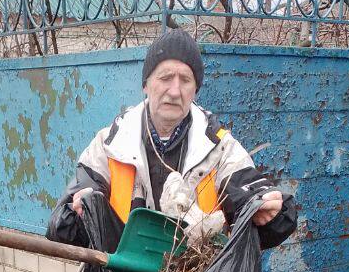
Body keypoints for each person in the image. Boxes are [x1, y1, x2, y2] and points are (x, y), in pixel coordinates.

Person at [47, 29, 297, 252]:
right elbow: (61, 226)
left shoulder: (218, 147)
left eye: (185, 80)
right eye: (165, 78)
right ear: (146, 84)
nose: (175, 91)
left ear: (195, 89)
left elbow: (252, 194)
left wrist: (271, 211)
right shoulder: (110, 145)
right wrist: (78, 213)